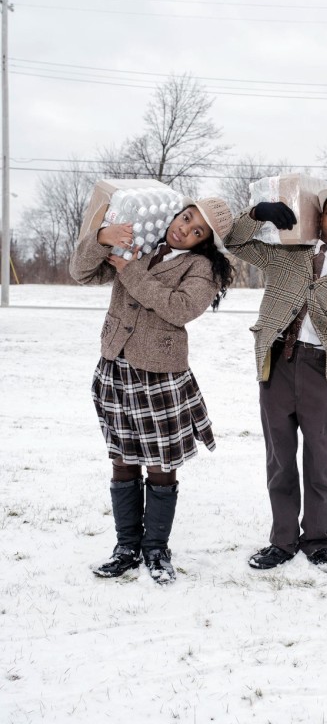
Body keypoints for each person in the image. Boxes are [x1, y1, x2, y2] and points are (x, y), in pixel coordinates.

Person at [70, 196, 233, 584]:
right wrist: (102, 237)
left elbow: (177, 308)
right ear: (178, 211)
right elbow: (81, 272)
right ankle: (126, 546)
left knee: (161, 464)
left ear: (205, 242)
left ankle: (156, 548)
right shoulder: (139, 242)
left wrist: (130, 271)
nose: (185, 229)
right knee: (122, 459)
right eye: (187, 218)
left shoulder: (201, 268)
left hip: (160, 373)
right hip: (115, 364)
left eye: (198, 231)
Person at [225, 180, 327, 573]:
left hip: (320, 371)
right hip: (275, 365)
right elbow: (234, 243)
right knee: (279, 458)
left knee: (320, 459)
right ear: (319, 215)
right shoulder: (287, 254)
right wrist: (257, 215)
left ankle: (319, 541)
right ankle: (283, 540)